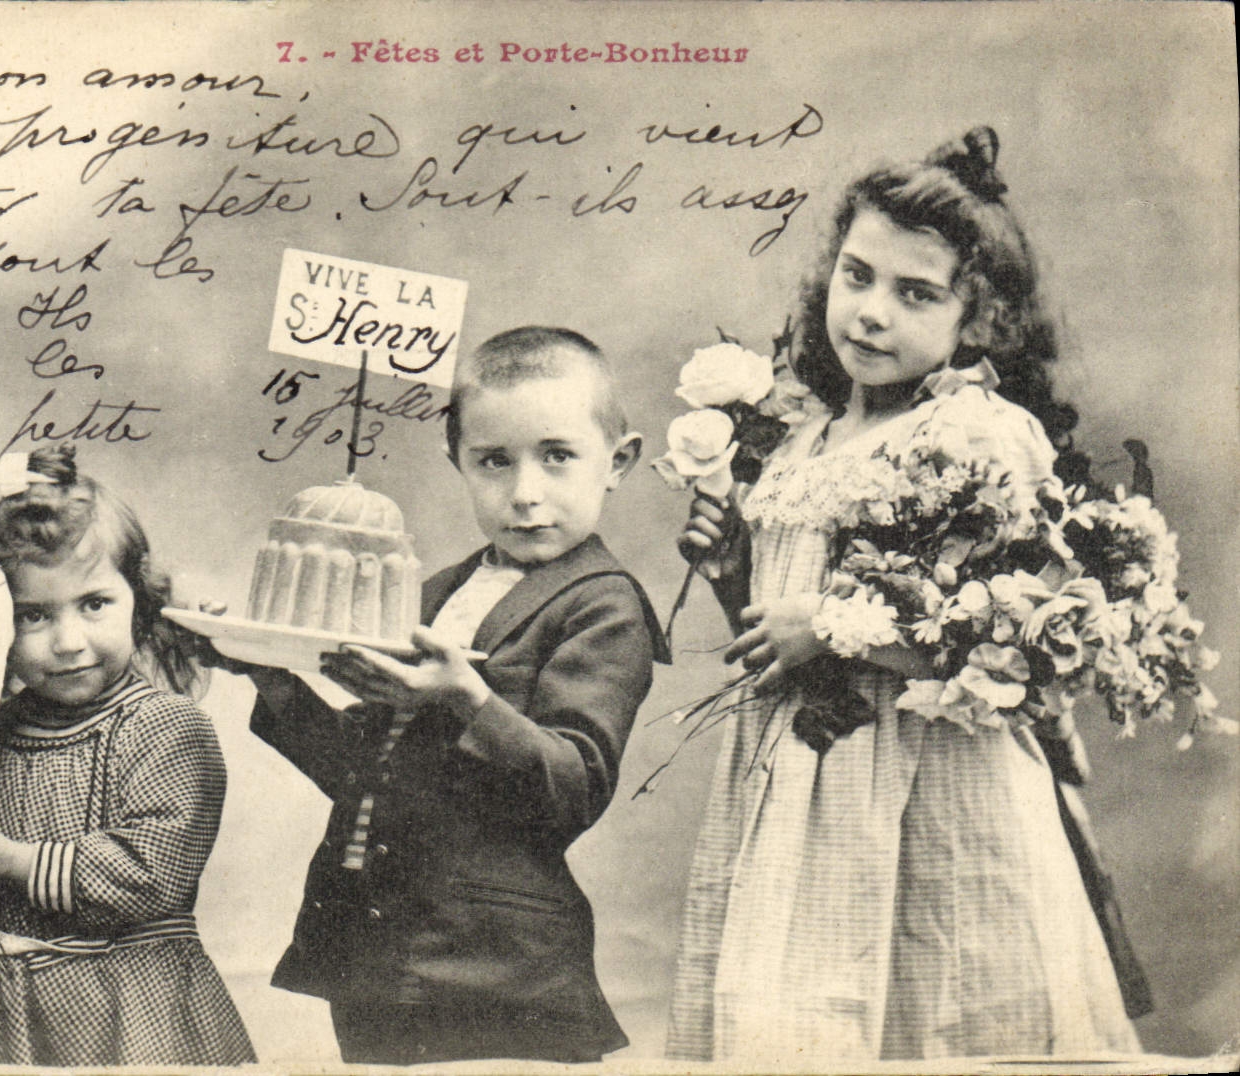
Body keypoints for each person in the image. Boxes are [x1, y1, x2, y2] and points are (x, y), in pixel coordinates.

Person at [666, 128, 1145, 1062]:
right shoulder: (802, 443)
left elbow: (1012, 637)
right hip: (797, 782)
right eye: (857, 276)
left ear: (978, 324)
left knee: (938, 1000)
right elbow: (776, 632)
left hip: (927, 779)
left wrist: (835, 629)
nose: (872, 313)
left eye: (914, 294)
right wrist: (736, 575)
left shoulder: (977, 431)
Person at [231, 327, 669, 1064]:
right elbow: (362, 771)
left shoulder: (603, 606)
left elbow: (575, 784)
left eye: (557, 457)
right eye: (494, 461)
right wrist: (270, 678)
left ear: (617, 461)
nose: (526, 493)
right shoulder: (438, 592)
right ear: (456, 460)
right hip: (376, 947)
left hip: (497, 963)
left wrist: (468, 699)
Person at [0, 445, 255, 1067]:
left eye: (94, 604)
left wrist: (11, 863)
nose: (68, 642)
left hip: (127, 1008)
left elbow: (150, 875)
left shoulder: (164, 725)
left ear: (138, 601)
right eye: (32, 616)